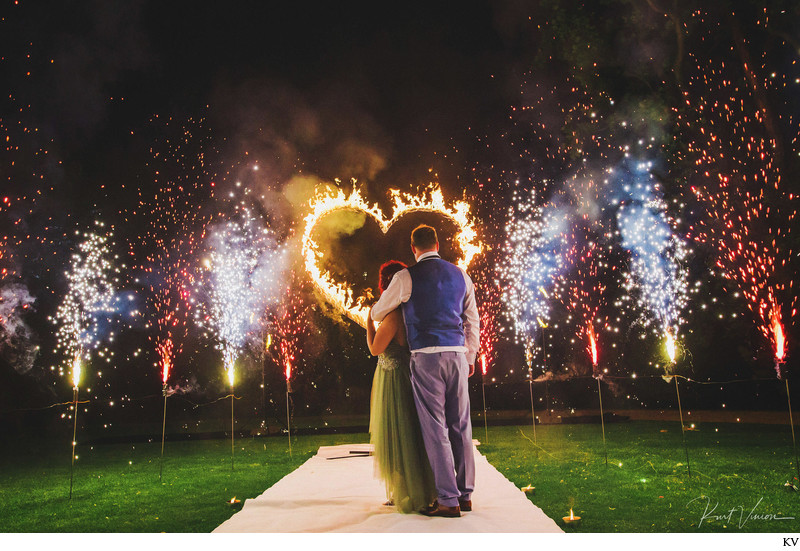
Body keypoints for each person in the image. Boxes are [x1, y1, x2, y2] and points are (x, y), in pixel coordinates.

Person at [370, 224, 479, 518]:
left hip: (425, 358)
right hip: (457, 355)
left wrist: (379, 310)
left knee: (435, 428)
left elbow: (379, 311)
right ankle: (465, 494)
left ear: (413, 248)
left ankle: (448, 499)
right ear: (438, 243)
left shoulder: (406, 277)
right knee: (461, 425)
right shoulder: (461, 275)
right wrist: (470, 357)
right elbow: (472, 320)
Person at [366, 260, 437, 514]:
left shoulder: (393, 315)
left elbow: (375, 349)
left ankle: (404, 492)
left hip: (393, 378)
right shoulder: (411, 311)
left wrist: (368, 321)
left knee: (396, 434)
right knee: (409, 433)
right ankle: (414, 488)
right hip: (407, 374)